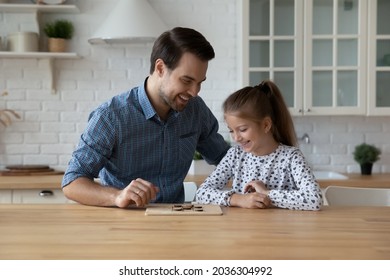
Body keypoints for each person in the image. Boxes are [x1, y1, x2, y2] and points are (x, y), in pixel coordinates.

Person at [62, 27, 230, 208]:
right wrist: (117, 196)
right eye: (186, 81)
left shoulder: (195, 110)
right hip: (123, 225)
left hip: (177, 222)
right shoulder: (112, 116)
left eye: (199, 83)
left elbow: (227, 159)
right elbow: (72, 183)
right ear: (160, 68)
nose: (195, 92)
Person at [195, 80, 323, 211]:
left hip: (282, 230)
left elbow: (314, 199)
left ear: (266, 125)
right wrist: (239, 199)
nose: (236, 138)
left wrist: (267, 194)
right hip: (243, 230)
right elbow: (201, 193)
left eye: (243, 129)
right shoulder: (235, 155)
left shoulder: (291, 157)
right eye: (231, 130)